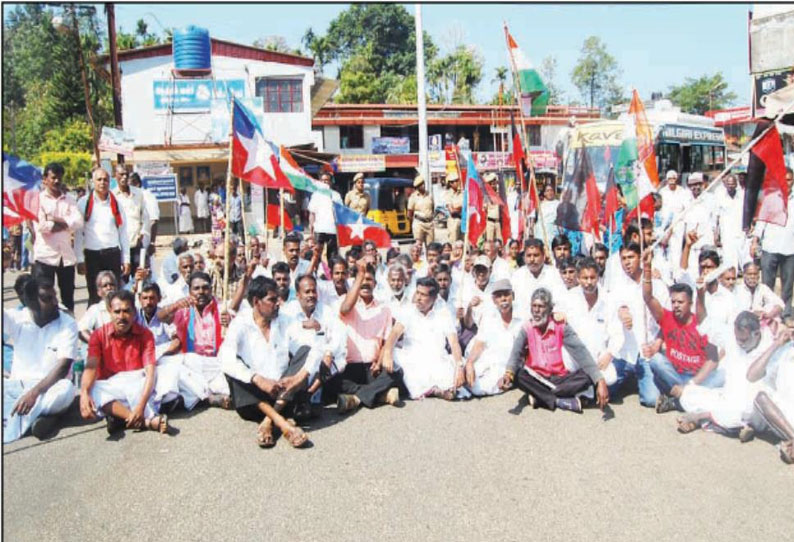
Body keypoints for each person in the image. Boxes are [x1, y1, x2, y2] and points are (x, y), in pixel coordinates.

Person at [220, 277, 310, 448]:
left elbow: (304, 347)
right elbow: (225, 358)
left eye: (278, 299)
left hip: (283, 392)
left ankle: (268, 421)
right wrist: (257, 379)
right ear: (256, 301)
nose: (277, 304)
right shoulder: (241, 323)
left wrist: (291, 380)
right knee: (232, 367)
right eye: (272, 299)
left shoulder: (284, 320)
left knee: (306, 352)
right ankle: (284, 424)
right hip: (254, 398)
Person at [500, 288, 609, 413]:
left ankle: (541, 397)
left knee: (589, 376)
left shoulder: (562, 327)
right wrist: (508, 376)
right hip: (538, 377)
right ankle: (560, 401)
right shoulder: (527, 328)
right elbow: (515, 353)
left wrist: (599, 381)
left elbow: (581, 352)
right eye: (534, 306)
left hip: (561, 378)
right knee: (518, 374)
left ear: (550, 309)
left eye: (540, 306)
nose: (536, 311)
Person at [642, 253, 724, 414]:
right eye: (673, 302)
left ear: (690, 304)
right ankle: (685, 399)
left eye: (680, 302)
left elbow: (713, 361)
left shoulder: (701, 324)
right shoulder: (667, 317)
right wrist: (646, 268)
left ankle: (678, 399)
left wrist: (690, 385)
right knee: (656, 360)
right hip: (674, 375)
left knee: (720, 378)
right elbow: (648, 297)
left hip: (696, 379)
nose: (676, 306)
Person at [79, 289, 169, 435]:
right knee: (93, 389)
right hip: (113, 387)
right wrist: (84, 393)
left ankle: (121, 418)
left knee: (153, 383)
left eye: (126, 311)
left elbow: (150, 373)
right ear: (110, 312)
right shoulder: (98, 335)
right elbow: (91, 367)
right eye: (117, 312)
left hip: (137, 386)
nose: (121, 317)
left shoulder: (145, 334)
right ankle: (145, 422)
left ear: (134, 312)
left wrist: (140, 406)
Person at [3, 277, 77, 442]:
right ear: (31, 303)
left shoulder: (67, 322)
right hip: (18, 387)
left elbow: (63, 367)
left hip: (49, 388)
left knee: (66, 390)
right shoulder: (16, 318)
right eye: (47, 299)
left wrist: (34, 394)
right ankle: (42, 418)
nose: (55, 302)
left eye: (54, 296)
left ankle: (23, 417)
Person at [677, 311, 772, 435]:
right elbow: (704, 322)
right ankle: (731, 426)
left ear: (757, 333)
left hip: (749, 408)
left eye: (743, 340)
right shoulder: (732, 338)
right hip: (725, 399)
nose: (740, 343)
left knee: (740, 413)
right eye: (737, 339)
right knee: (688, 394)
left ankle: (701, 418)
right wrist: (700, 295)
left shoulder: (769, 347)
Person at [329, 260, 403, 412]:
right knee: (331, 381)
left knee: (395, 374)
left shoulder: (384, 309)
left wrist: (380, 360)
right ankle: (381, 395)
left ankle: (355, 399)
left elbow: (385, 341)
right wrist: (360, 274)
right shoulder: (346, 302)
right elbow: (344, 309)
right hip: (349, 367)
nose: (365, 283)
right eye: (361, 280)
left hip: (372, 367)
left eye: (369, 280)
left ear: (375, 284)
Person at [382, 277, 464, 400]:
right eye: (418, 293)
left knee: (455, 367)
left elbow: (454, 342)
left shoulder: (443, 314)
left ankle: (437, 390)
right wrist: (388, 352)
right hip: (410, 357)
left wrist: (459, 366)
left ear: (434, 298)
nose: (418, 298)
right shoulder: (408, 310)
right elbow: (394, 334)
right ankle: (435, 390)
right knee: (394, 357)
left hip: (436, 357)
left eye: (423, 295)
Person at [167, 272, 232, 409]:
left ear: (211, 289)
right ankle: (208, 398)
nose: (201, 292)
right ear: (189, 291)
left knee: (232, 386)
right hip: (192, 365)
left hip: (216, 365)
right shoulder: (183, 310)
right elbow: (161, 317)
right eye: (196, 288)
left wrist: (230, 323)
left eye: (205, 288)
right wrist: (174, 307)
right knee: (174, 371)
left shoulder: (222, 308)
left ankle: (201, 396)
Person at [32, 162, 84, 312]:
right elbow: (42, 226)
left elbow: (78, 222)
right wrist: (66, 224)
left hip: (65, 257)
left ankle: (68, 329)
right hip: (45, 257)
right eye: (53, 178)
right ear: (45, 179)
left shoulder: (69, 200)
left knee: (68, 299)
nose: (56, 181)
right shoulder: (38, 200)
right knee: (43, 298)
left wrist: (55, 220)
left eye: (59, 178)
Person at [75, 168, 130, 306]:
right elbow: (78, 233)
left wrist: (126, 259)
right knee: (94, 295)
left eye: (105, 179)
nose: (102, 183)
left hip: (112, 254)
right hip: (92, 256)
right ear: (93, 182)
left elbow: (123, 232)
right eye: (99, 179)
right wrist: (80, 260)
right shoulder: (83, 203)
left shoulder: (116, 203)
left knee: (114, 294)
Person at [463, 279, 523, 396]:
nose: (503, 299)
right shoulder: (489, 316)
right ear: (494, 300)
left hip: (509, 362)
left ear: (513, 296)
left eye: (506, 294)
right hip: (489, 355)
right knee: (467, 376)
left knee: (480, 389)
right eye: (499, 296)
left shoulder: (523, 316)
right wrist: (470, 363)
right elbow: (480, 343)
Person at [751, 167, 794, 326]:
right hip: (770, 247)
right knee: (766, 284)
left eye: (789, 180)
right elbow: (761, 221)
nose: (786, 183)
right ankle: (767, 315)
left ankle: (787, 314)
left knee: (787, 285)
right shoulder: (770, 198)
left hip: (790, 249)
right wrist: (755, 240)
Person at [746, 327, 794, 464]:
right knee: (760, 397)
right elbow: (752, 376)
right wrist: (777, 344)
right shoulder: (786, 350)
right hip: (785, 417)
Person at [511, 238, 567, 320]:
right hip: (523, 323)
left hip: (548, 323)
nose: (532, 259)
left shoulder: (553, 274)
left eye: (536, 255)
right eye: (529, 255)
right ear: (524, 257)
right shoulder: (517, 276)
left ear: (543, 256)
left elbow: (561, 301)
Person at [113, 165, 150, 277]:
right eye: (121, 174)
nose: (124, 177)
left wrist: (143, 233)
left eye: (126, 174)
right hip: (120, 247)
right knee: (122, 279)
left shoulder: (138, 193)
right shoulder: (112, 196)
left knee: (140, 279)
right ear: (115, 176)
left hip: (136, 244)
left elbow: (145, 216)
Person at [715, 173, 747, 271]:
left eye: (733, 183)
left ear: (736, 184)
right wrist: (716, 234)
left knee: (745, 260)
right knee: (729, 262)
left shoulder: (742, 196)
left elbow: (747, 212)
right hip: (727, 234)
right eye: (728, 184)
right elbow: (716, 217)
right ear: (725, 184)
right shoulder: (720, 197)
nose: (730, 186)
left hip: (741, 233)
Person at [308, 173, 343, 260]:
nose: (325, 182)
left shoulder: (336, 195)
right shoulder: (316, 195)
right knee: (316, 254)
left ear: (330, 182)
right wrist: (311, 231)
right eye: (323, 180)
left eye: (327, 180)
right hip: (319, 229)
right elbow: (312, 214)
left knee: (332, 255)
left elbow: (340, 213)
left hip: (332, 230)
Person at [78, 271, 118, 343]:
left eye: (112, 284)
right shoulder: (95, 309)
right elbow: (81, 329)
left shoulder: (124, 306)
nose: (109, 288)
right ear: (99, 292)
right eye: (105, 286)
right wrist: (96, 345)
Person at [129, 173, 159, 262]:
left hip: (144, 243)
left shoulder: (147, 196)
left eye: (129, 184)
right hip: (131, 243)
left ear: (137, 184)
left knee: (145, 270)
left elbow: (154, 220)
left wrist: (152, 243)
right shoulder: (130, 198)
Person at [407, 175, 435, 247]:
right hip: (419, 223)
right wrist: (414, 223)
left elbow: (432, 208)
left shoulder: (429, 195)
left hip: (429, 224)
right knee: (418, 245)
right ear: (417, 187)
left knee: (431, 246)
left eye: (423, 183)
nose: (423, 186)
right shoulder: (413, 197)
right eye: (420, 185)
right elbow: (409, 213)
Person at [484, 173, 503, 242]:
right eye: (491, 184)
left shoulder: (499, 194)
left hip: (498, 222)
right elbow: (484, 210)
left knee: (499, 241)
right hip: (490, 222)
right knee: (490, 241)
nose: (493, 185)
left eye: (494, 183)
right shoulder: (486, 196)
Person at [445, 172, 463, 242]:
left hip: (462, 220)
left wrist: (458, 208)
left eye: (457, 180)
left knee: (463, 243)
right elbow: (452, 211)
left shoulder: (461, 193)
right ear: (450, 183)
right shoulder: (448, 194)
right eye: (454, 181)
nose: (456, 183)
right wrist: (461, 208)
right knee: (454, 242)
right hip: (453, 221)